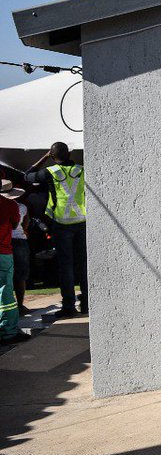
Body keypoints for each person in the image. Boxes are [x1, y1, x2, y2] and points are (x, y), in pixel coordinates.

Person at [25, 143, 88, 316]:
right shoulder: (82, 170)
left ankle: (68, 306)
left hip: (61, 223)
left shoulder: (50, 172)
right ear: (69, 153)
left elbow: (27, 175)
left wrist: (44, 158)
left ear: (52, 157)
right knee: (84, 264)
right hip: (82, 221)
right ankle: (87, 303)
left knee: (65, 267)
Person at [1, 180, 31, 344]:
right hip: (6, 249)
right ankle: (8, 331)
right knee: (7, 288)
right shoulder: (12, 206)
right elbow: (15, 225)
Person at [12, 191, 30, 314]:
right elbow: (25, 222)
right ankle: (20, 305)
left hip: (6, 241)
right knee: (21, 275)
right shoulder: (22, 207)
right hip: (20, 240)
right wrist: (24, 229)